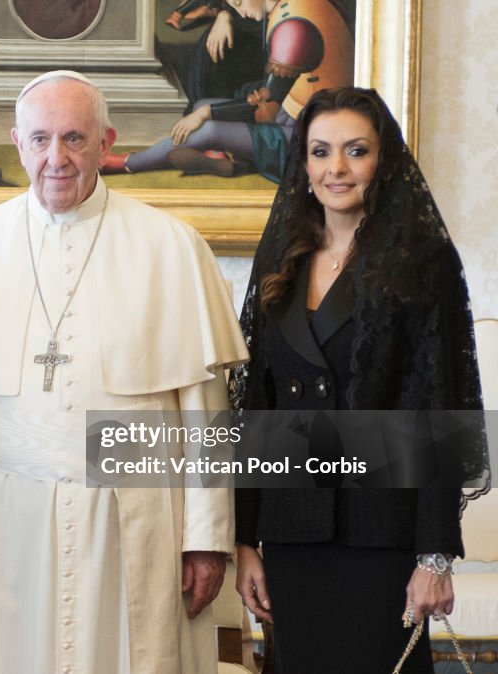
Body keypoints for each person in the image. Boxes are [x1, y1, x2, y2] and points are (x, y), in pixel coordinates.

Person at [0, 70, 249, 674]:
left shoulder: (172, 247)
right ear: (17, 142)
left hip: (138, 523)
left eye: (75, 139)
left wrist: (206, 539)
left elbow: (205, 414)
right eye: (40, 140)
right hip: (8, 525)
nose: (56, 158)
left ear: (106, 143)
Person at [230, 86, 490, 673]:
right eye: (320, 152)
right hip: (293, 534)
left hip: (384, 535)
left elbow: (440, 407)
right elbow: (256, 409)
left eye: (356, 151)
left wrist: (435, 555)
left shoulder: (424, 261)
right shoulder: (280, 258)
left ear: (385, 160)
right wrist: (245, 539)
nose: (336, 169)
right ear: (304, 162)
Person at [104, 0, 353, 182]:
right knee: (203, 106)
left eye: (237, 1)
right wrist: (206, 111)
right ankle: (226, 159)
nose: (234, 7)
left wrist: (206, 116)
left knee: (209, 124)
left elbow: (265, 109)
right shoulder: (285, 7)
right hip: (297, 115)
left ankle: (127, 163)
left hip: (315, 143)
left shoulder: (294, 28)